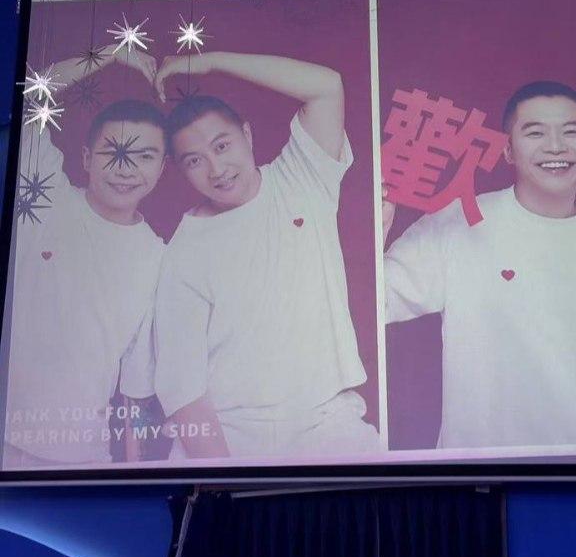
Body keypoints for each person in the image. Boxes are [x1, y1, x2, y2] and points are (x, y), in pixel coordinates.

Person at [153, 51, 378, 459]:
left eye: (223, 145)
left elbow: (326, 86)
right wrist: (226, 477)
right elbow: (183, 389)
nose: (216, 169)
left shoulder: (302, 177)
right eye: (195, 161)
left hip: (327, 419)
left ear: (247, 134)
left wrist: (211, 60)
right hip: (232, 433)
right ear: (181, 170)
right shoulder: (183, 251)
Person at [383, 81, 576, 449]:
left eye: (571, 131)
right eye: (535, 133)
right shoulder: (461, 221)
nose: (556, 146)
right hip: (481, 466)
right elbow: (373, 304)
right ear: (507, 149)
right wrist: (376, 232)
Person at [3, 48, 166, 469]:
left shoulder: (159, 258)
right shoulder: (45, 194)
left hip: (78, 456)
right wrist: (111, 54)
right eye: (113, 152)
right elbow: (33, 93)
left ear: (162, 167)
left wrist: (132, 473)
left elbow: (135, 386)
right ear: (86, 158)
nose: (126, 169)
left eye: (144, 156)